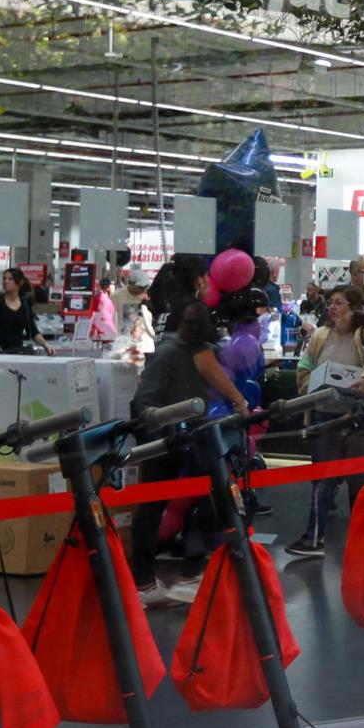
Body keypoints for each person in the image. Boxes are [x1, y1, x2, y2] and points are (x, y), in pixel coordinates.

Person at [129, 259, 249, 607]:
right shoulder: (194, 309)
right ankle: (191, 574)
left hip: (155, 412)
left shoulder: (166, 306)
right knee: (216, 489)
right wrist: (239, 400)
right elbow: (205, 365)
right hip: (178, 415)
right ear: (200, 279)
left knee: (153, 501)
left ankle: (144, 582)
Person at [287, 285, 364, 558]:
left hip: (357, 417)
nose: (332, 307)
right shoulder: (321, 336)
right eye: (331, 302)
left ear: (353, 308)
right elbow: (304, 367)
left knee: (359, 480)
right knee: (321, 479)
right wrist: (308, 390)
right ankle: (314, 538)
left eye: (339, 303)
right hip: (325, 416)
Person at [0, 268, 49, 354]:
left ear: (20, 283)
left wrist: (46, 345)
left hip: (16, 352)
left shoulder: (25, 305)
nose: (6, 281)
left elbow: (34, 332)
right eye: (4, 279)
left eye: (10, 279)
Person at [90, 276, 119, 344]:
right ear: (108, 288)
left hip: (101, 329)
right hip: (106, 329)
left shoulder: (98, 298)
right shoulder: (104, 299)